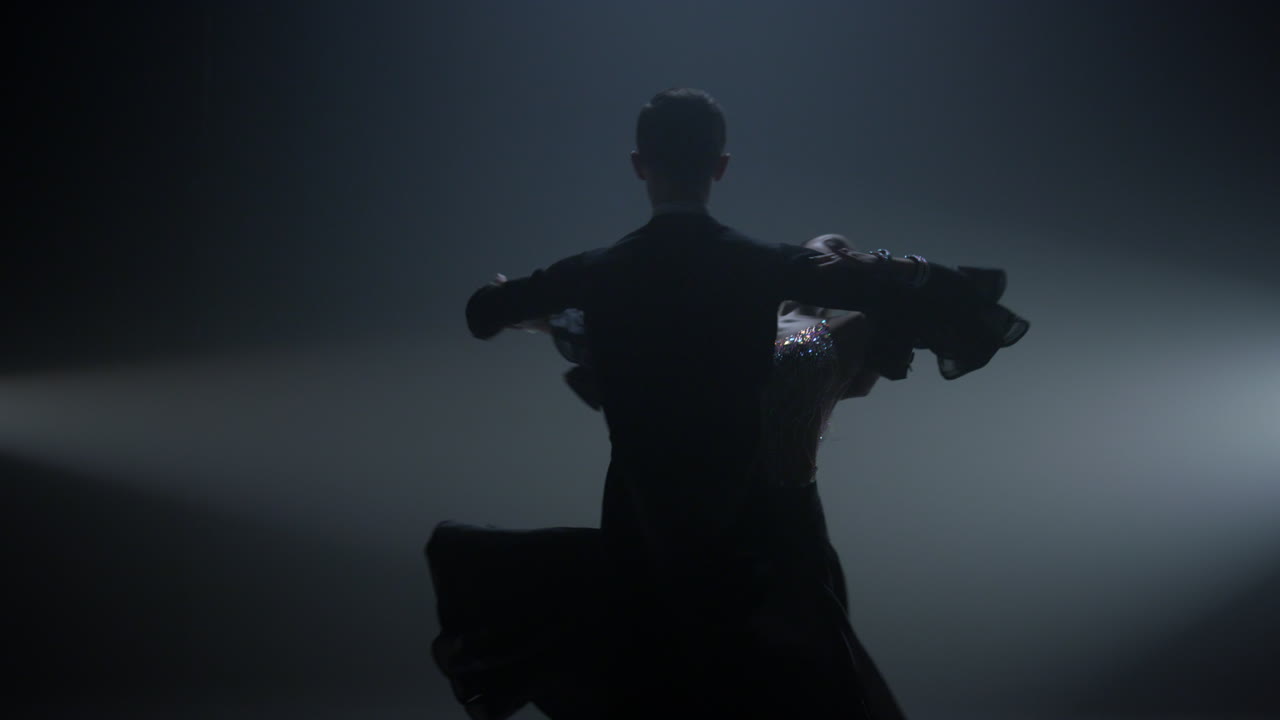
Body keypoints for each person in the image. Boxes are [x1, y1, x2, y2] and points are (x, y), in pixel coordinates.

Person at [449, 88, 1027, 718]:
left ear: (640, 164)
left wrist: (517, 302)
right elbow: (909, 290)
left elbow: (483, 312)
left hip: (647, 534)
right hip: (758, 540)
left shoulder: (596, 271)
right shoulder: (762, 264)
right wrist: (896, 267)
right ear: (721, 165)